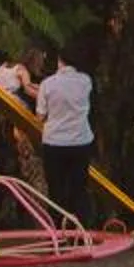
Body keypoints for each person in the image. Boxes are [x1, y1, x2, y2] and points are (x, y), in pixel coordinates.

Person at [34, 46, 96, 227]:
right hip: (80, 142)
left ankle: (57, 233)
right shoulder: (86, 81)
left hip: (54, 143)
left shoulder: (47, 84)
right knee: (79, 189)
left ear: (59, 60)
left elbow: (40, 116)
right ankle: (83, 231)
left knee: (56, 190)